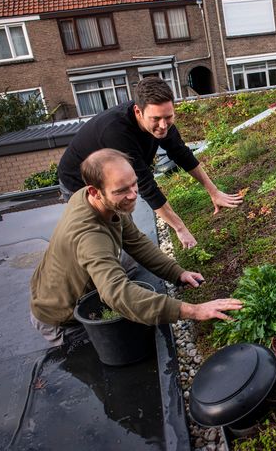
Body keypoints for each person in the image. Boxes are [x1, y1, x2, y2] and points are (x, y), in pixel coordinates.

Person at [31, 148, 243, 346]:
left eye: (134, 184)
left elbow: (135, 241)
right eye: (122, 190)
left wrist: (176, 273)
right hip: (62, 319)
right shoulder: (90, 236)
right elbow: (117, 294)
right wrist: (194, 310)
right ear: (95, 192)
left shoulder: (91, 198)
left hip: (63, 283)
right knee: (124, 345)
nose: (133, 194)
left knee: (127, 267)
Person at [57, 76, 242, 249]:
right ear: (138, 111)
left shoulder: (161, 122)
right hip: (78, 180)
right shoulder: (117, 133)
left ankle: (125, 259)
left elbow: (182, 154)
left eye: (168, 117)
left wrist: (214, 191)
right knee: (99, 232)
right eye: (156, 119)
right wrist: (180, 228)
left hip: (110, 175)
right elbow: (146, 184)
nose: (163, 125)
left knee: (122, 226)